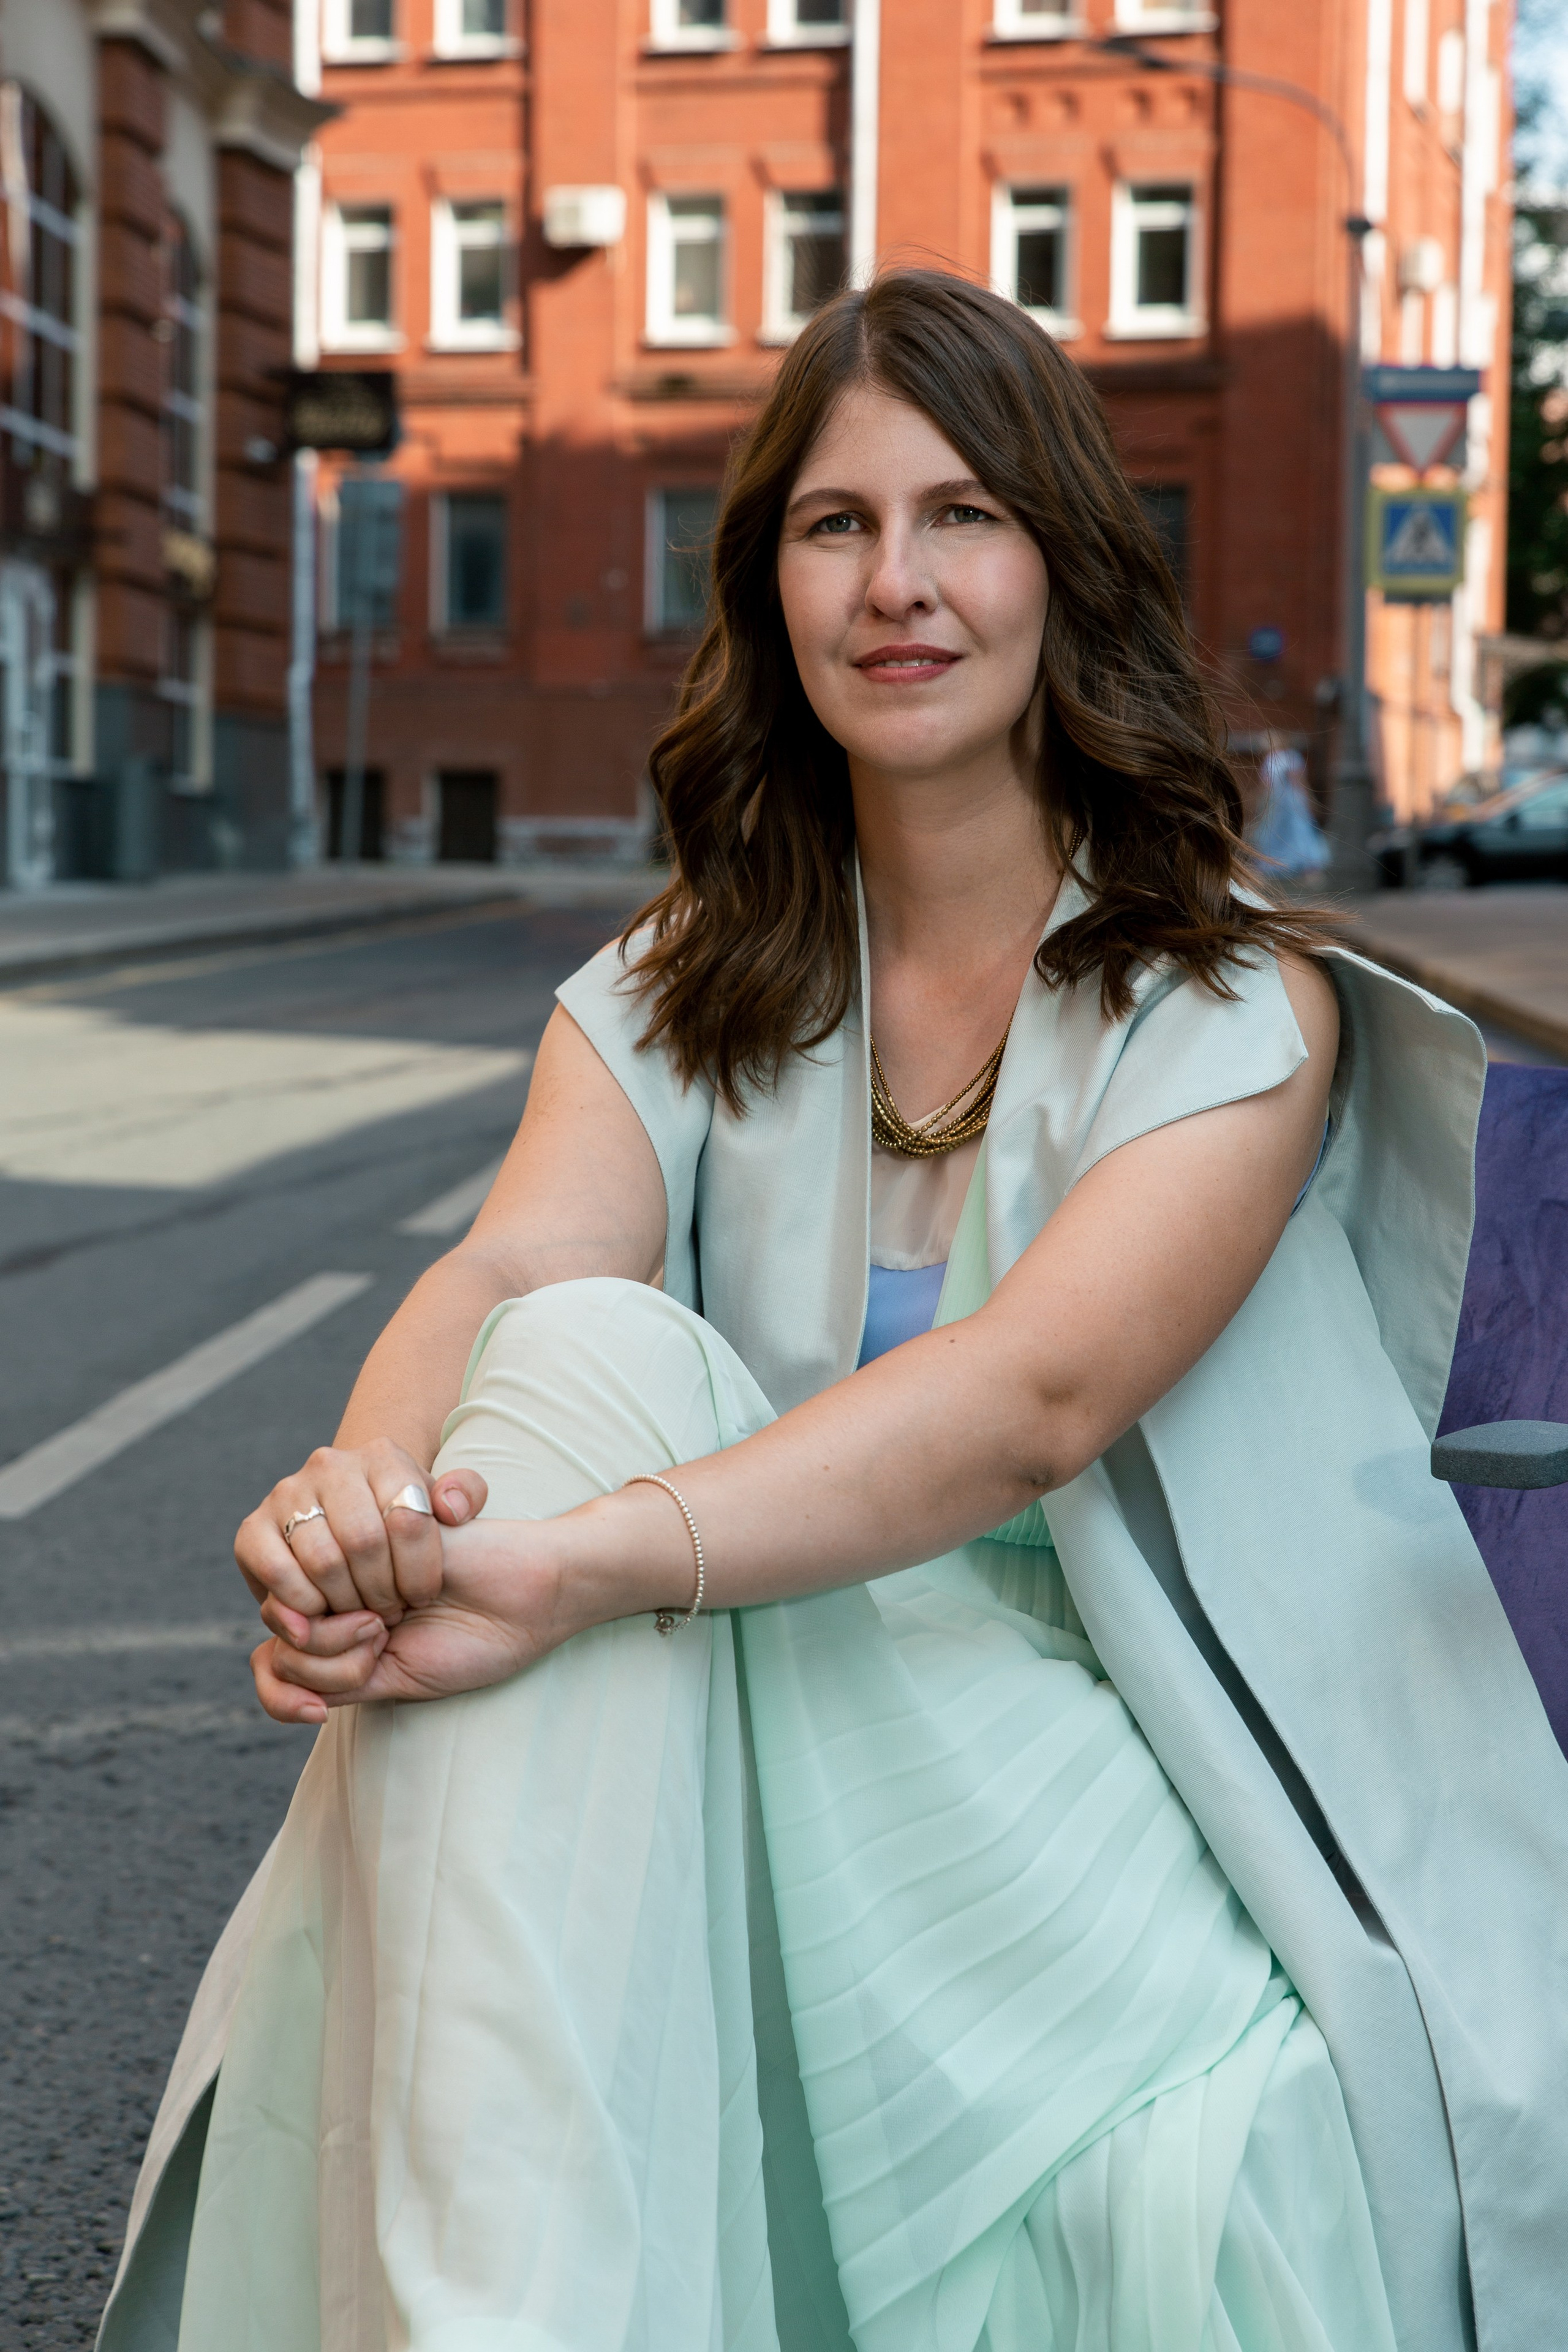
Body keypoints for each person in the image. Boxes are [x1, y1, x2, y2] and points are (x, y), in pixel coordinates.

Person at [102, 272, 1568, 2352]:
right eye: (835, 523)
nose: (901, 582)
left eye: (964, 516)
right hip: (757, 1701)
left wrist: (579, 1564)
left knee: (562, 1512)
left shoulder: (1234, 1005)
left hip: (1099, 1781)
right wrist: (365, 1498)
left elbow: (1032, 1404)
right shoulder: (687, 978)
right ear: (771, 583)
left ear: (1063, 568)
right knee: (572, 1359)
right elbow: (514, 1262)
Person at [1246, 741, 1329, 883]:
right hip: (1285, 802)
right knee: (1290, 831)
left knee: (1290, 831)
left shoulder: (1281, 758)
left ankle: (1300, 865)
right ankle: (1300, 866)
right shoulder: (1284, 758)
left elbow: (1294, 782)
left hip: (1284, 802)